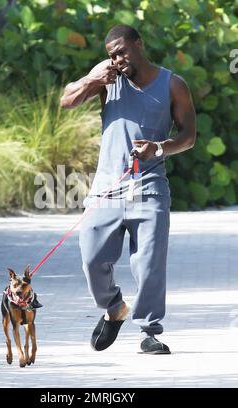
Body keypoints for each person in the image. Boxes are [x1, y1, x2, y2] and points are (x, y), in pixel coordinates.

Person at [60, 24, 196, 354]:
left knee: (149, 264)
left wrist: (159, 148)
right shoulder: (108, 81)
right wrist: (94, 79)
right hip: (106, 190)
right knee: (92, 261)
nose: (118, 59)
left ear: (139, 43)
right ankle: (114, 308)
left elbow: (188, 137)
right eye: (112, 54)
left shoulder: (173, 84)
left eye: (122, 50)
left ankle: (149, 330)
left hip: (149, 190)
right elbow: (67, 101)